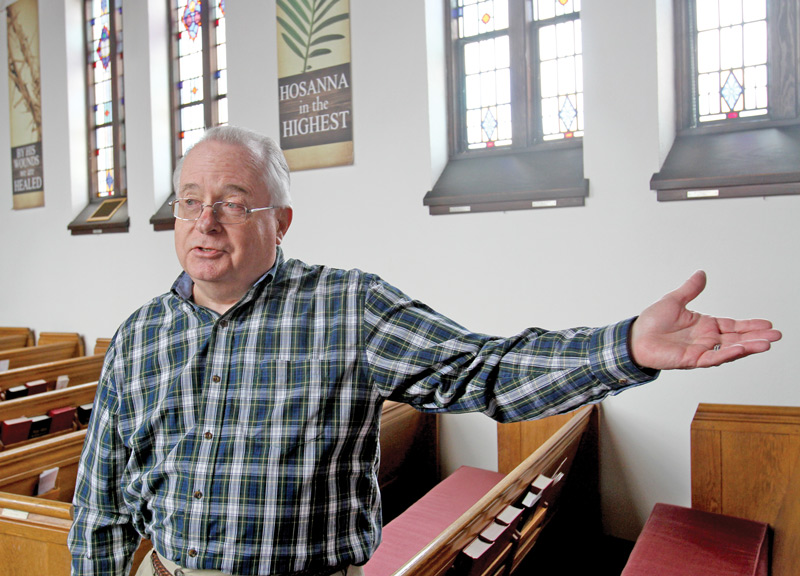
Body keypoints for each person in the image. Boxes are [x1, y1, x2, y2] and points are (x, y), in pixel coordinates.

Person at [68, 126, 781, 576]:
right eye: (190, 201)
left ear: (280, 222)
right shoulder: (141, 335)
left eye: (232, 200)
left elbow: (486, 371)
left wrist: (625, 348)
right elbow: (101, 504)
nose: (206, 221)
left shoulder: (348, 308)